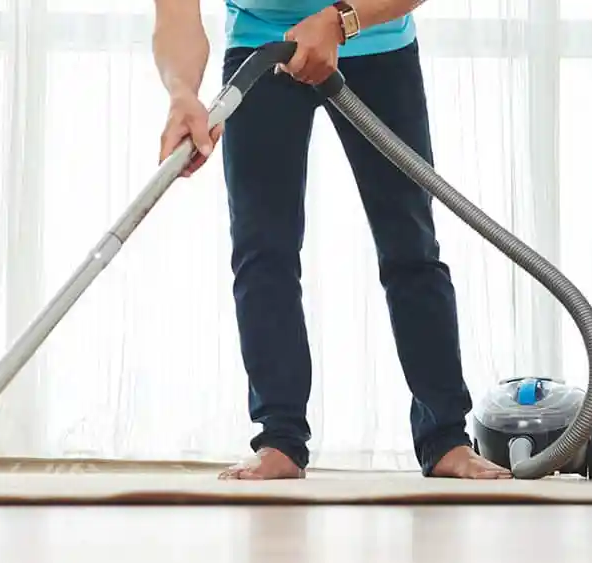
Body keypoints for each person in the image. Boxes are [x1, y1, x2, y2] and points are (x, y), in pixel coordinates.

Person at [151, 0, 511, 480]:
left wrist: (342, 20)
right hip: (263, 49)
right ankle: (279, 440)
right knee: (263, 248)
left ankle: (446, 438)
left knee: (410, 246)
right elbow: (176, 17)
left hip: (375, 40)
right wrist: (183, 95)